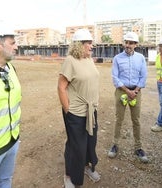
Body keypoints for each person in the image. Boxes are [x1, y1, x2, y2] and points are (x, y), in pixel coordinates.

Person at [57, 28, 101, 188]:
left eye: (91, 42)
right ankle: (69, 176)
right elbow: (61, 87)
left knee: (90, 141)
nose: (91, 46)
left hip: (91, 111)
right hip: (75, 112)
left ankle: (87, 167)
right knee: (76, 145)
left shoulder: (89, 59)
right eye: (88, 43)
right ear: (79, 45)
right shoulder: (70, 61)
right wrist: (68, 111)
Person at [107, 32, 148, 163]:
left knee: (136, 120)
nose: (128, 45)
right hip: (121, 91)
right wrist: (127, 91)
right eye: (126, 42)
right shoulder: (118, 58)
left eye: (131, 43)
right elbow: (115, 77)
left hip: (136, 91)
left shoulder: (141, 58)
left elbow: (143, 76)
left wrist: (135, 91)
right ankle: (115, 145)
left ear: (136, 45)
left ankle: (138, 147)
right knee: (119, 119)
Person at [0, 21, 21, 188]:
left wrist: (15, 138)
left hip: (12, 142)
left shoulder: (11, 69)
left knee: (5, 181)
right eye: (12, 42)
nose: (17, 46)